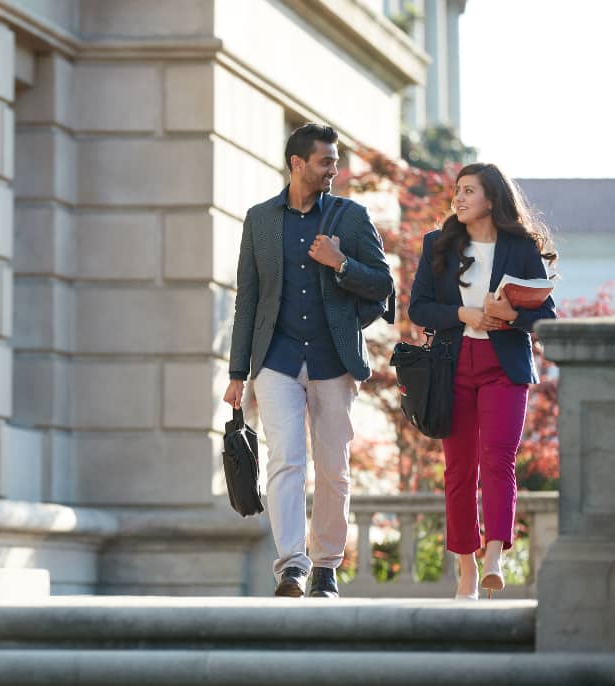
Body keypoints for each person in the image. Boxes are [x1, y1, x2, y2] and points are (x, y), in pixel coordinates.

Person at [223, 123, 393, 598]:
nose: (333, 170)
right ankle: (292, 567)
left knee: (333, 466)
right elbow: (248, 299)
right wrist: (238, 373)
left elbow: (384, 286)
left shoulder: (351, 217)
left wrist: (340, 264)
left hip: (333, 360)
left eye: (335, 162)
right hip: (275, 359)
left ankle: (326, 567)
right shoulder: (258, 220)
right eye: (325, 162)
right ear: (297, 164)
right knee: (285, 462)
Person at [408, 163, 557, 600]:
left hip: (504, 364)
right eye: (457, 190)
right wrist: (463, 314)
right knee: (458, 469)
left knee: (498, 461)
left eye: (468, 190)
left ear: (491, 199)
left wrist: (513, 316)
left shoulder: (521, 247)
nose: (459, 197)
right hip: (453, 364)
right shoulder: (438, 244)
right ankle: (466, 568)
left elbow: (547, 315)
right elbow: (419, 308)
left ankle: (494, 557)